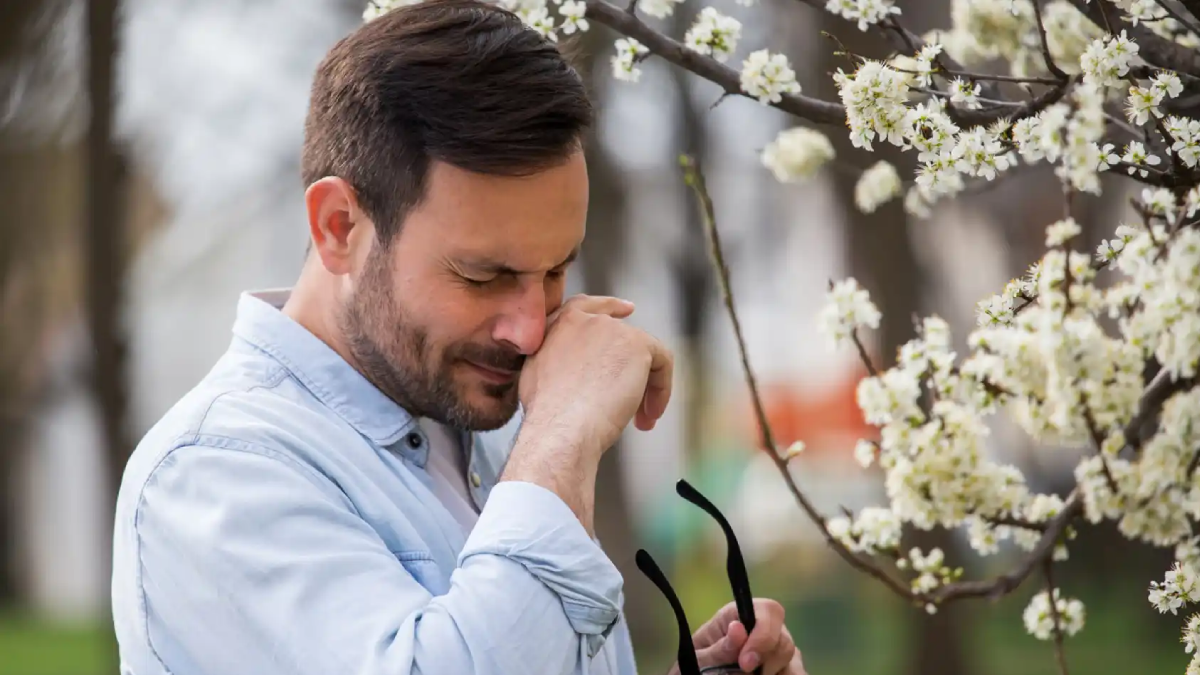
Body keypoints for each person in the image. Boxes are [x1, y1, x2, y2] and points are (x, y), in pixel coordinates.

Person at [110, 1, 807, 673]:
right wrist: (561, 438)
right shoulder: (215, 472)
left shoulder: (487, 428)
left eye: (557, 268)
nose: (530, 327)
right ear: (338, 227)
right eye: (482, 276)